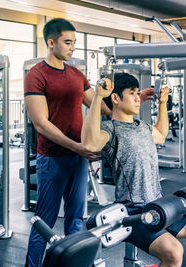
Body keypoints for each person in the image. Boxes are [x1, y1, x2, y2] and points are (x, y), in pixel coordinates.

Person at [82, 73, 186, 267]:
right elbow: (89, 143)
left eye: (138, 93)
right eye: (132, 94)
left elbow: (162, 135)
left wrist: (162, 103)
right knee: (174, 252)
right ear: (115, 98)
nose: (138, 98)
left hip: (159, 205)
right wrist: (97, 96)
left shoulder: (143, 127)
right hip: (134, 212)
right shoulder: (111, 129)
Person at [23, 18, 114, 267]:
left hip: (78, 157)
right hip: (52, 158)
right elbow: (41, 123)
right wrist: (76, 147)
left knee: (76, 219)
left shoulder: (76, 74)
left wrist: (133, 97)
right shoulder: (36, 75)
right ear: (51, 42)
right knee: (44, 221)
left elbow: (101, 107)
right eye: (67, 42)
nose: (73, 47)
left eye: (74, 42)